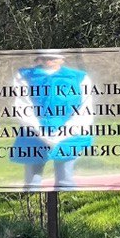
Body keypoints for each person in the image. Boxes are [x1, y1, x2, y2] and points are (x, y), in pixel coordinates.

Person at [9, 51, 94, 189]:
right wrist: (40, 132)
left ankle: (67, 202)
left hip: (69, 137)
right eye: (45, 57)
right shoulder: (25, 76)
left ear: (62, 58)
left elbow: (84, 110)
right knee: (32, 184)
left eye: (53, 57)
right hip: (33, 136)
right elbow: (22, 106)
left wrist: (63, 133)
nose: (49, 60)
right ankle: (33, 203)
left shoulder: (79, 78)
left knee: (66, 182)